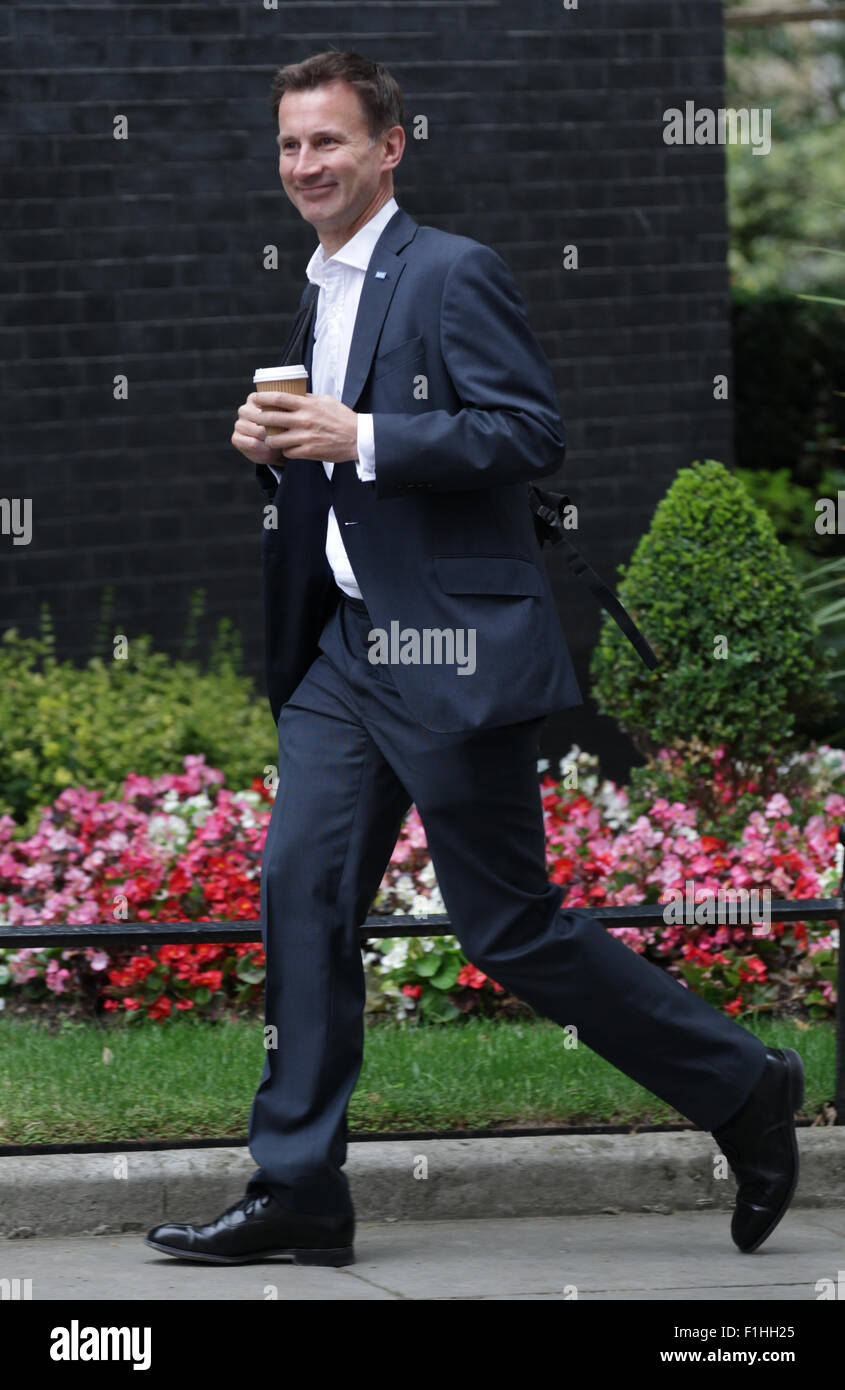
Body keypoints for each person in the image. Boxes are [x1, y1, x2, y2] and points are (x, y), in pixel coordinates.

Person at [146, 50, 803, 1269]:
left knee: (506, 925)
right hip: (344, 649)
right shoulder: (318, 291)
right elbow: (335, 461)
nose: (304, 167)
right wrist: (274, 446)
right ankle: (297, 1186)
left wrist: (362, 434)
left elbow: (522, 431)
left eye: (327, 143)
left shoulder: (450, 271)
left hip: (444, 647)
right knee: (302, 890)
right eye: (289, 146)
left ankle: (743, 1083)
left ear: (389, 147)